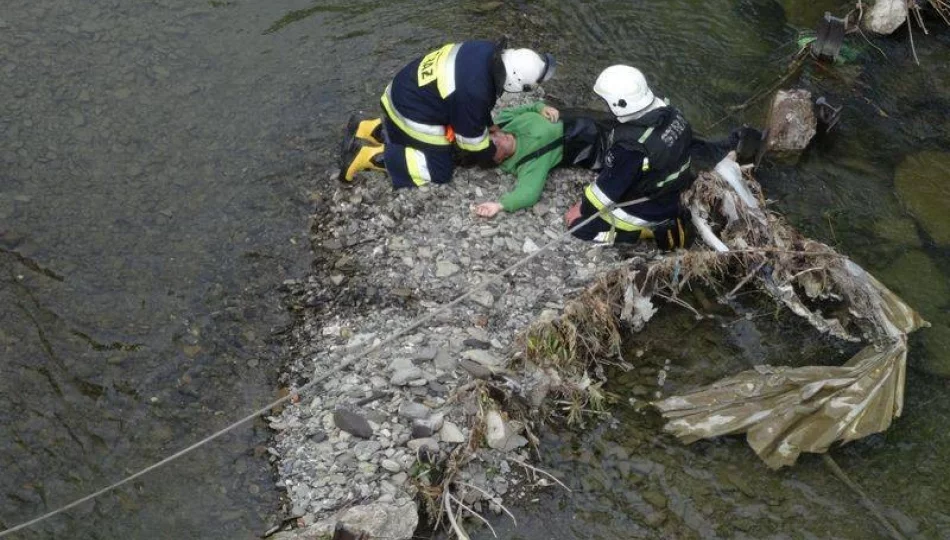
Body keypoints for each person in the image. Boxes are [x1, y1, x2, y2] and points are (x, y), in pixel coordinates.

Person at [340, 39, 556, 188]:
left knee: (438, 131)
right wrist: (492, 154)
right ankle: (369, 155)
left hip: (401, 91)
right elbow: (471, 143)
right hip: (411, 112)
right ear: (516, 82)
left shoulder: (486, 50)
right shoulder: (475, 92)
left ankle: (366, 126)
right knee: (440, 170)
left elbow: (472, 104)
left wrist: (490, 126)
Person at [564, 65, 695, 251]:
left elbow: (604, 194)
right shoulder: (671, 114)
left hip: (650, 207)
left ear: (619, 103)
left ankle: (643, 232)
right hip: (669, 192)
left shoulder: (631, 147)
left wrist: (583, 208)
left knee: (579, 228)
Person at [473, 102, 616, 218]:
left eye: (493, 136)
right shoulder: (528, 162)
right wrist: (499, 205)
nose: (499, 137)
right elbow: (529, 193)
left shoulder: (502, 121)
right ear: (498, 159)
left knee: (621, 117)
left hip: (578, 115)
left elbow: (528, 107)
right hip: (594, 141)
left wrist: (541, 108)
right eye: (496, 145)